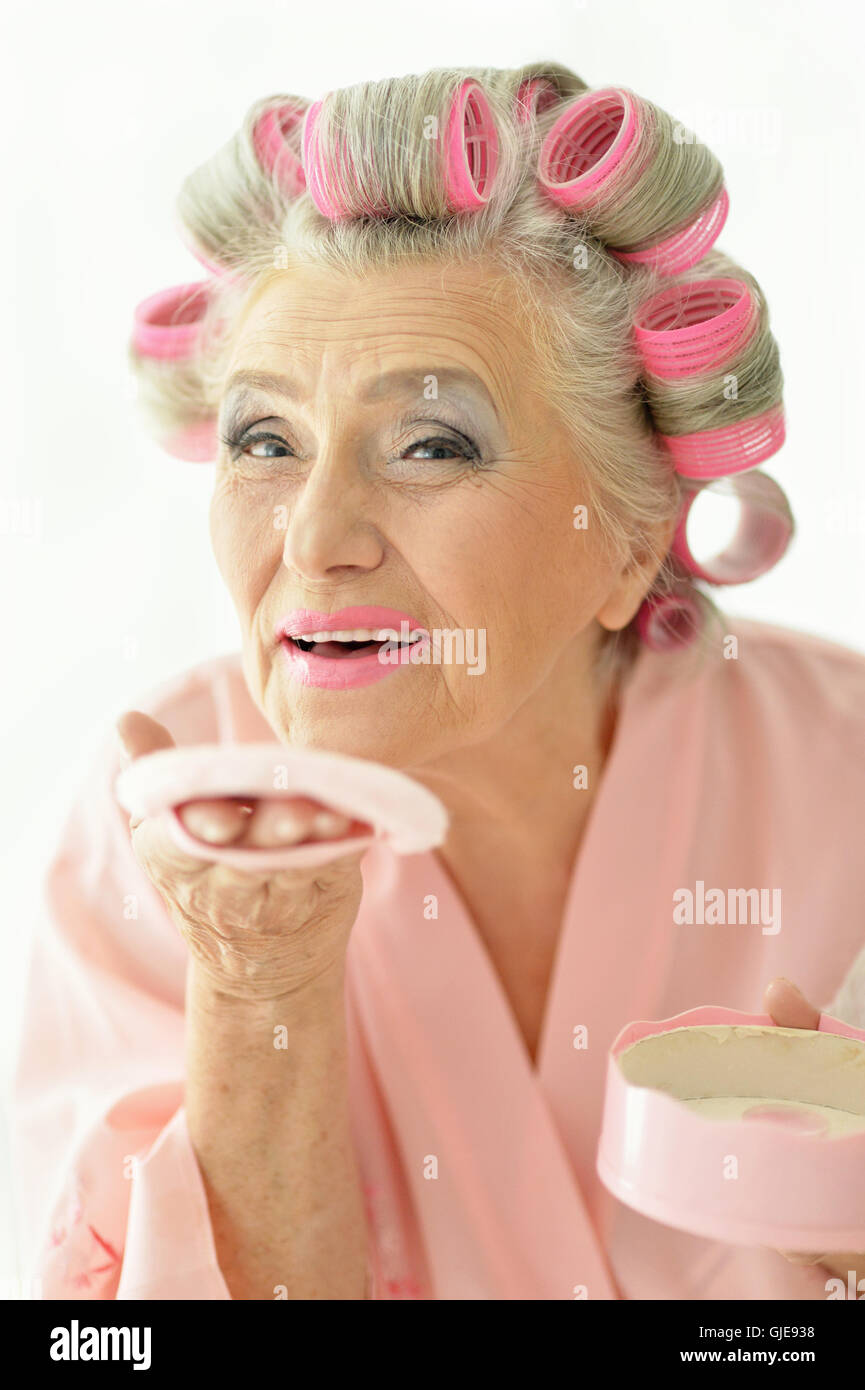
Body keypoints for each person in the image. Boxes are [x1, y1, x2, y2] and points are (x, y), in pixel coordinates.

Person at [11, 61, 865, 1300]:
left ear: (628, 541)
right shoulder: (158, 824)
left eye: (430, 444)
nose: (315, 536)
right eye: (266, 441)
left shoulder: (843, 774)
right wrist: (261, 987)